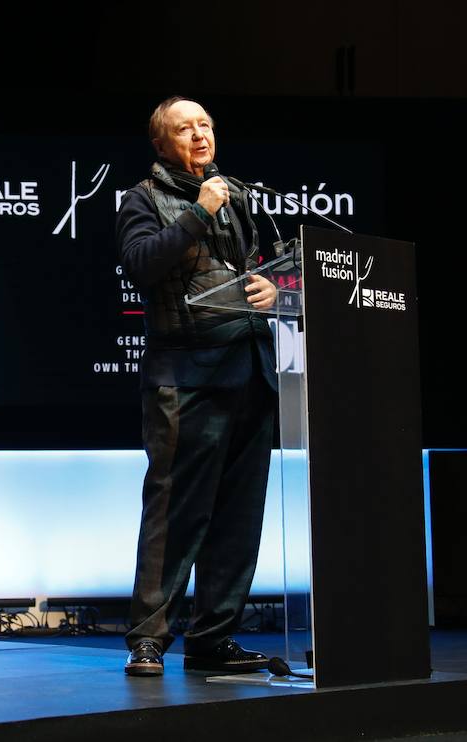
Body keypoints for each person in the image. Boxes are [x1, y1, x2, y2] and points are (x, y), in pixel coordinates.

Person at [117, 96, 278, 676]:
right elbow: (140, 264)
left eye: (206, 124)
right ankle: (148, 640)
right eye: (184, 129)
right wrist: (198, 213)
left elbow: (259, 266)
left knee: (239, 516)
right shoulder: (144, 199)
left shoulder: (238, 194)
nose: (199, 135)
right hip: (186, 381)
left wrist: (272, 291)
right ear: (162, 145)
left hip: (251, 373)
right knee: (175, 513)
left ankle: (214, 637)